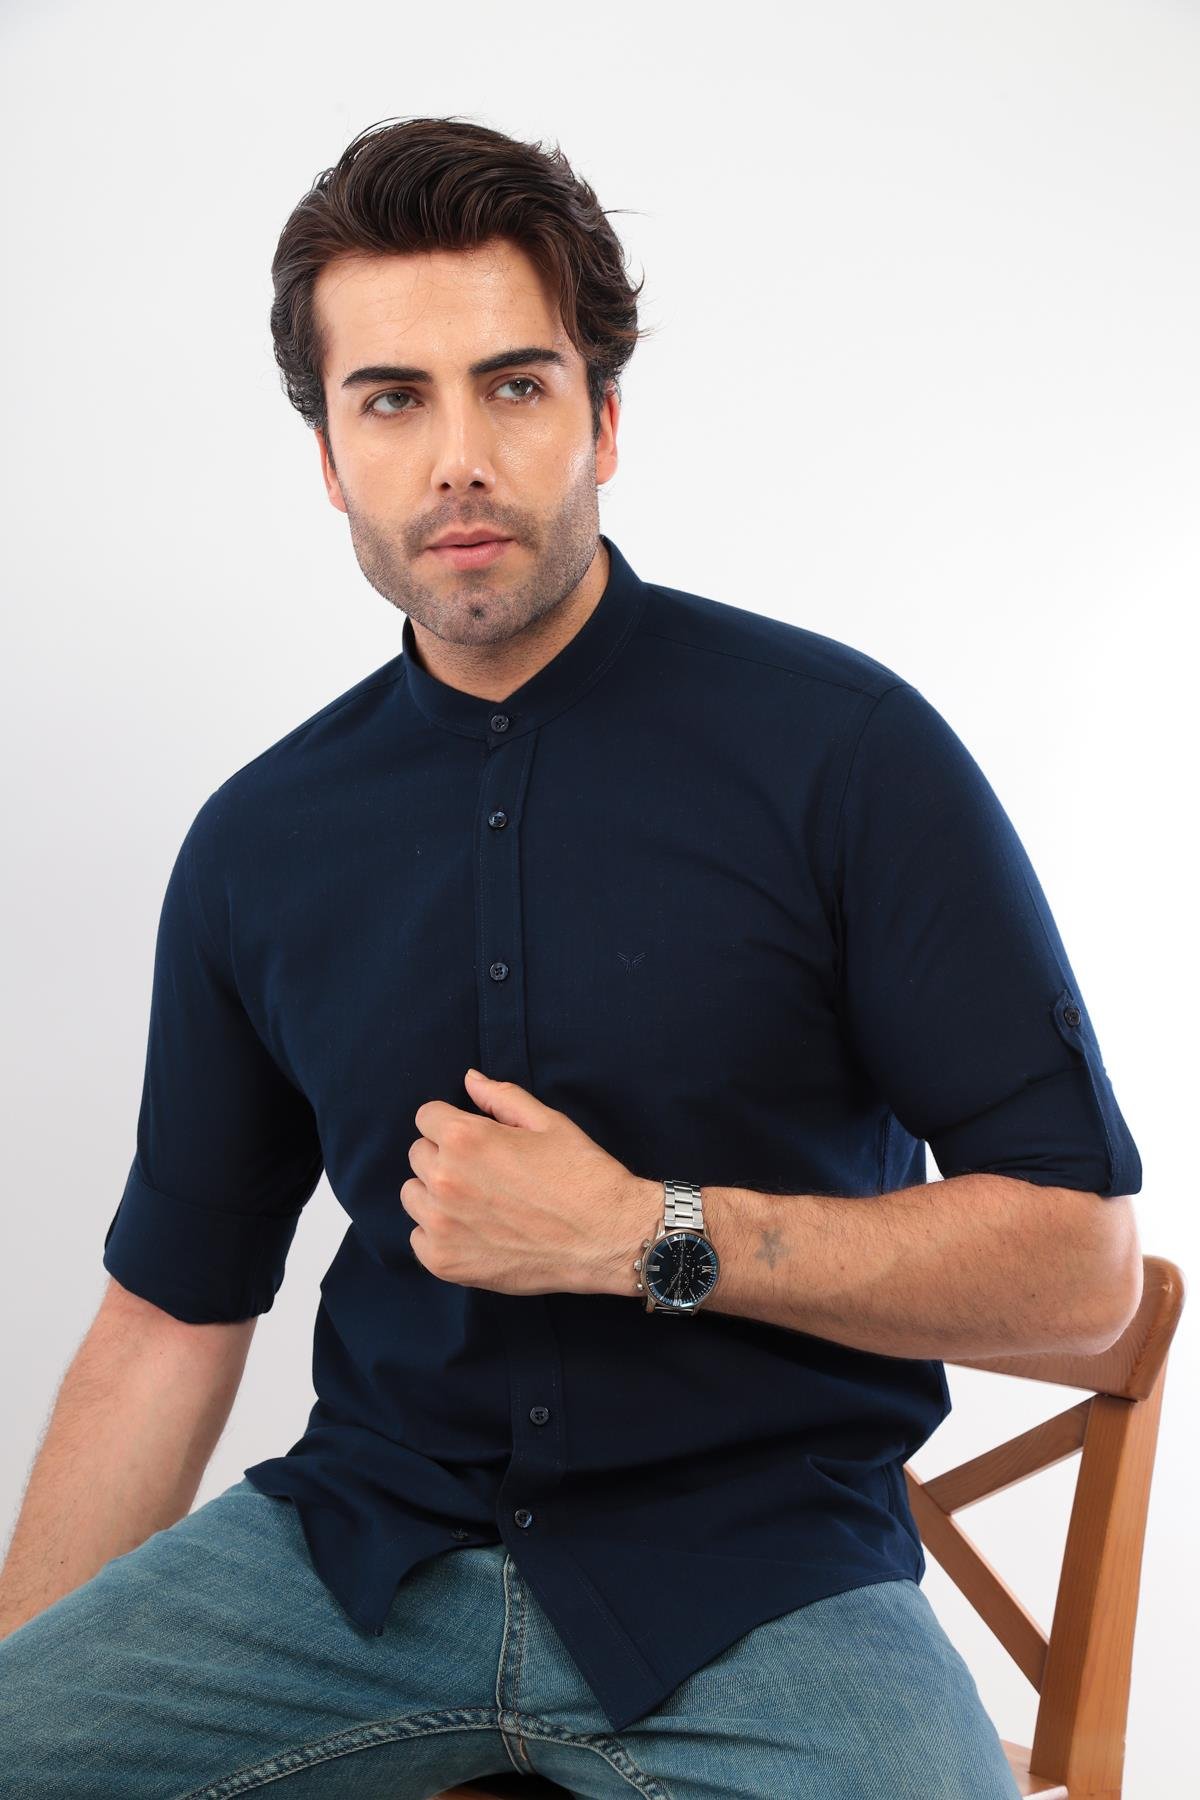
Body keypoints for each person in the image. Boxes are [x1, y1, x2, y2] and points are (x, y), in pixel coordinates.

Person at [0, 114, 1142, 1799]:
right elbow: (170, 1317)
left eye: (515, 386)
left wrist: (645, 1238)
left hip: (766, 1582)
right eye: (394, 399)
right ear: (330, 456)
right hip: (359, 1568)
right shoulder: (257, 843)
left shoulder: (847, 756)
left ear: (603, 418)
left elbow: (1081, 1273)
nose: (459, 458)